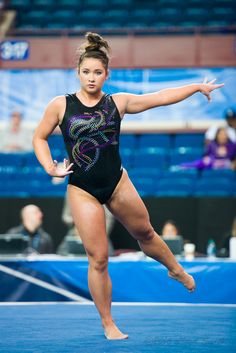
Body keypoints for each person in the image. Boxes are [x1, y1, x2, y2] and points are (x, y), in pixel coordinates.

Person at [32, 32, 224, 340]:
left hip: (117, 182)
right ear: (78, 73)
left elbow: (161, 97)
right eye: (86, 72)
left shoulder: (117, 103)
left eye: (97, 72)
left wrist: (196, 87)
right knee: (98, 258)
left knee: (145, 233)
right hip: (82, 188)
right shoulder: (60, 105)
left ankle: (174, 268)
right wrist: (49, 166)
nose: (91, 78)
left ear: (107, 74)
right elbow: (39, 137)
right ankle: (108, 323)